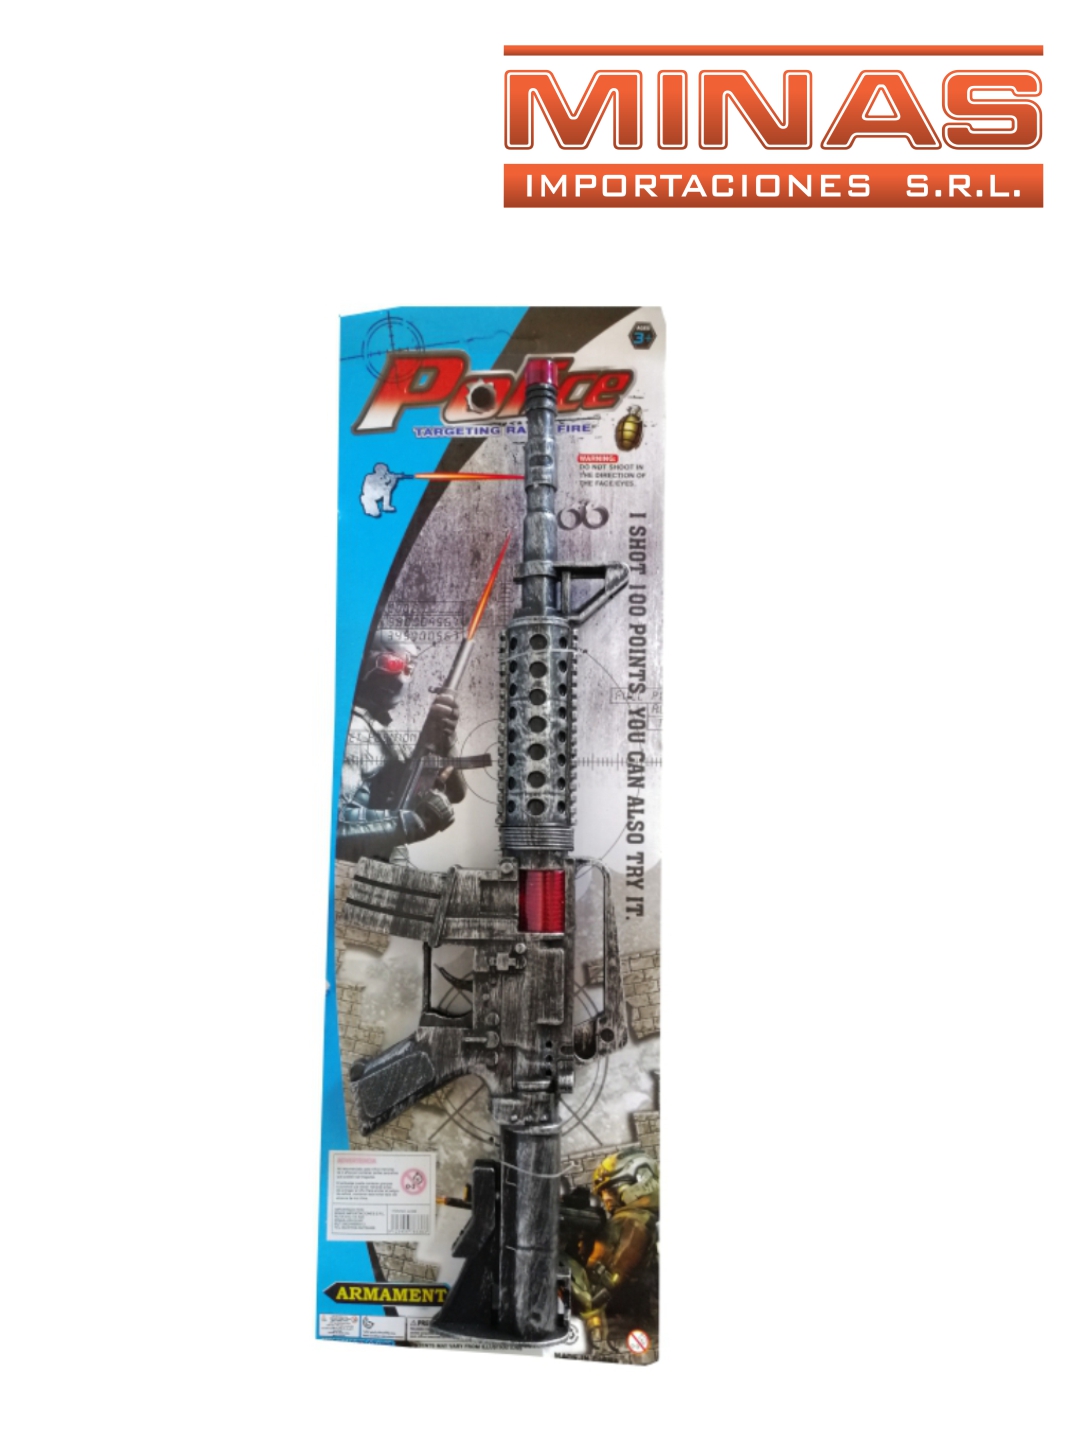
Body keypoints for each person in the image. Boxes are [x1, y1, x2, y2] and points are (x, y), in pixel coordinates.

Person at [336, 628, 466, 864]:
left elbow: (455, 793)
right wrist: (410, 823)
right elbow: (333, 830)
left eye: (409, 669)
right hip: (351, 872)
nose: (400, 678)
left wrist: (445, 739)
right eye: (392, 663)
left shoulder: (385, 736)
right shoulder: (351, 730)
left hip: (389, 870)